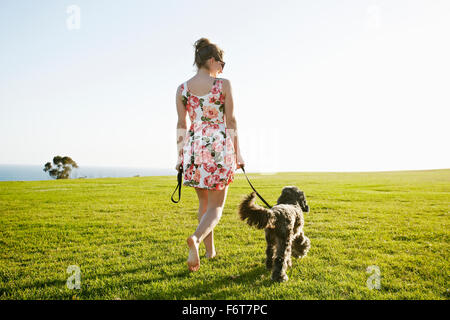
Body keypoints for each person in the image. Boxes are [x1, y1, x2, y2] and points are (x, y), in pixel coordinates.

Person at [175, 38, 245, 271]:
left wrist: (180, 157)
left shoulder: (182, 89)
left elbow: (181, 124)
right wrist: (238, 153)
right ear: (212, 60)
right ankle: (195, 239)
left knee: (203, 203)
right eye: (221, 63)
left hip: (194, 147)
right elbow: (231, 120)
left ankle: (209, 251)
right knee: (216, 207)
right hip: (218, 145)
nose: (222, 69)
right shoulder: (223, 85)